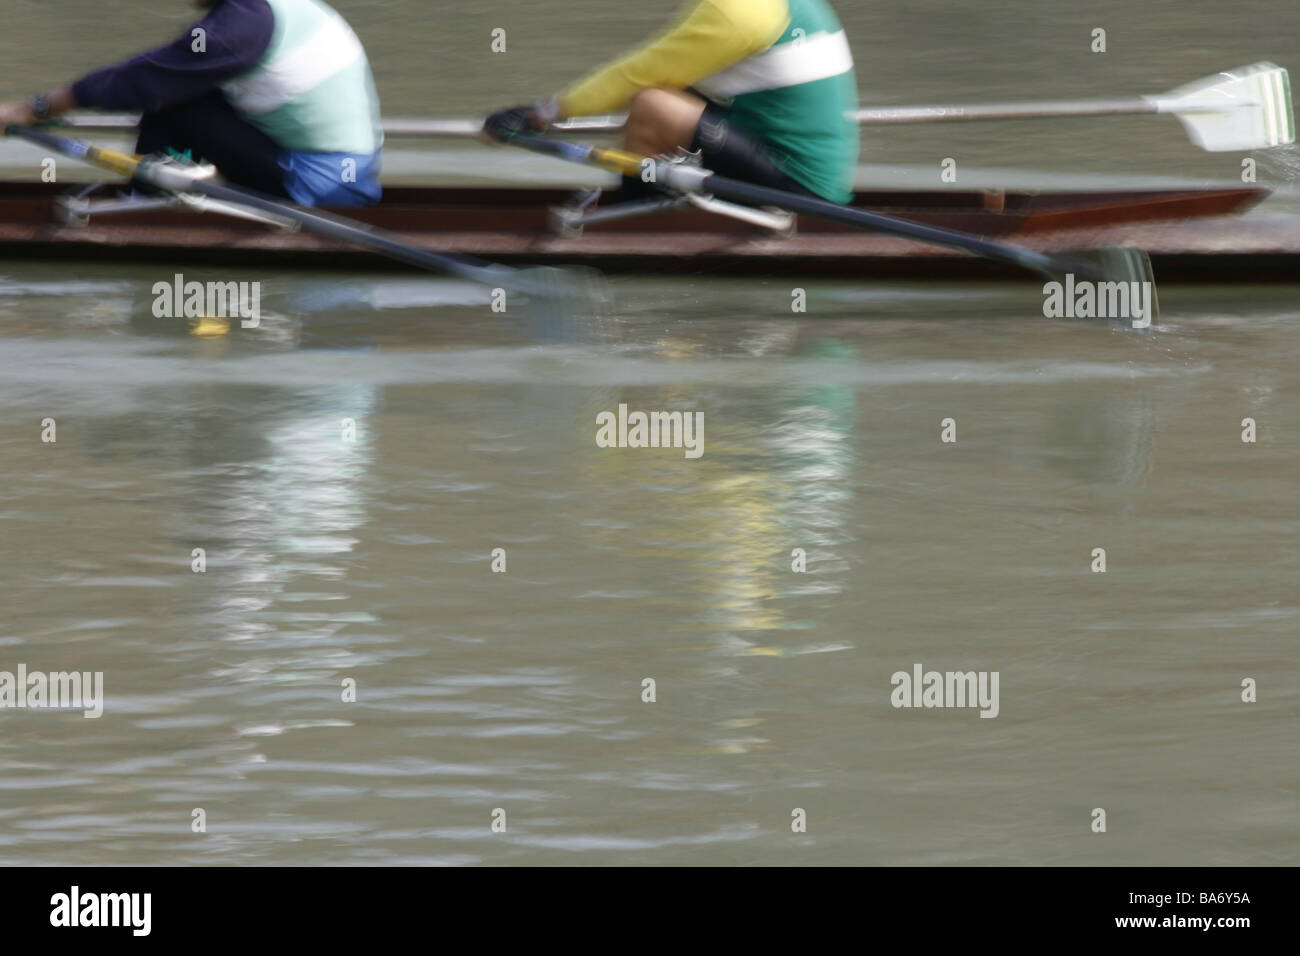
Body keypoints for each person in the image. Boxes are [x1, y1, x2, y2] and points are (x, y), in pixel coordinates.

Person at [0, 0, 384, 207]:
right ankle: (163, 187)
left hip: (319, 183)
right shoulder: (277, 8)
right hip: (354, 174)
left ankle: (142, 208)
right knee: (184, 90)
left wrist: (35, 108)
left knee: (174, 101)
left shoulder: (242, 23)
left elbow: (143, 80)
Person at [483, 0, 859, 205]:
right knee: (666, 97)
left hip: (801, 186)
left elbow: (639, 74)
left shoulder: (739, 10)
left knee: (651, 106)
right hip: (802, 161)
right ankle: (649, 189)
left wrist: (544, 113)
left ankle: (628, 216)